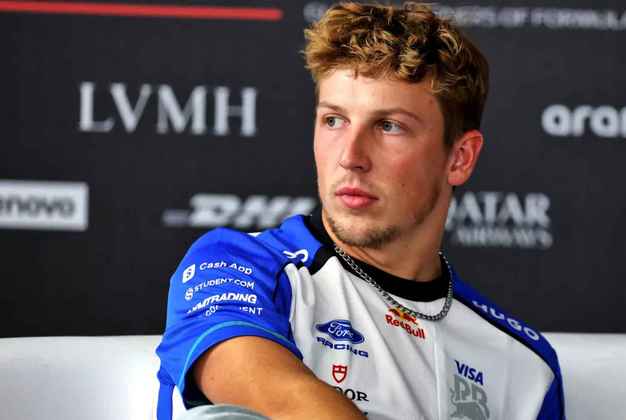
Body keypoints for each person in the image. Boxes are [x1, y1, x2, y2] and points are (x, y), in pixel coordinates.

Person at [156, 2, 565, 419]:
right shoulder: (238, 267)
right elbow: (284, 404)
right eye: (334, 120)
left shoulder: (526, 368)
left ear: (459, 158)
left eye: (389, 126)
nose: (350, 157)